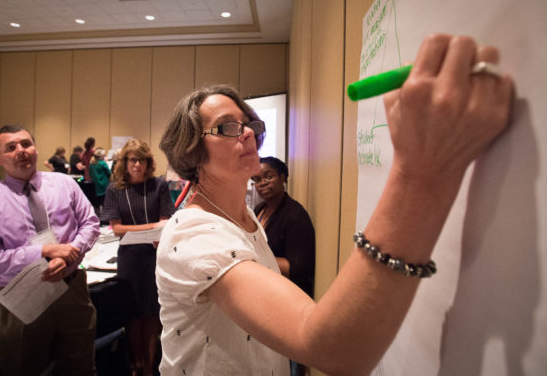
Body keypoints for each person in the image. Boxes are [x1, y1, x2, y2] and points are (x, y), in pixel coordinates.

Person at [156, 34, 513, 375]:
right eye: (226, 127)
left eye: (247, 122)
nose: (247, 131)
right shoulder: (194, 235)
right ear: (191, 151)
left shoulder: (244, 214)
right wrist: (421, 171)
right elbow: (334, 350)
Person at [0, 125, 100, 375]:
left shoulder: (65, 184)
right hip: (18, 298)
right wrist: (42, 252)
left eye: (26, 144)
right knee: (19, 368)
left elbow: (90, 224)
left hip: (72, 289)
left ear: (35, 149)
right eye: (11, 147)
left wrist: (71, 251)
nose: (21, 151)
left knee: (80, 366)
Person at [102, 139, 176, 376]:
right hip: (130, 259)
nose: (137, 164)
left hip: (155, 256)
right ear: (125, 162)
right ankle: (137, 364)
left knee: (153, 312)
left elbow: (169, 221)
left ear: (148, 162)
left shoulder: (159, 185)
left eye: (141, 160)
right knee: (132, 314)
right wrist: (153, 226)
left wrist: (156, 228)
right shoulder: (115, 189)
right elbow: (116, 228)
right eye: (132, 160)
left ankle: (150, 365)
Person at [252, 156, 315, 376]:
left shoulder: (296, 216)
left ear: (283, 177)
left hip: (290, 304)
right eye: (257, 179)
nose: (262, 183)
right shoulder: (260, 209)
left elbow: (299, 268)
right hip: (268, 298)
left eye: (268, 176)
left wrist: (256, 258)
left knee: (291, 365)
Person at [89, 147, 111, 214]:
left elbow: (90, 174)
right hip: (104, 185)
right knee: (104, 203)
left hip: (95, 185)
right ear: (102, 156)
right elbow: (109, 173)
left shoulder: (91, 164)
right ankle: (104, 218)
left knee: (97, 203)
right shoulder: (103, 163)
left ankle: (97, 216)